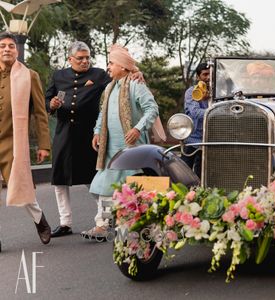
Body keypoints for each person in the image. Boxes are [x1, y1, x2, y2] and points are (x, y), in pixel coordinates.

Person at [45, 41, 148, 238]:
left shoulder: (99, 74)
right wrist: (52, 104)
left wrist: (138, 72)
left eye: (87, 58)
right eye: (80, 58)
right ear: (70, 59)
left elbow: (123, 74)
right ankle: (65, 222)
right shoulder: (59, 76)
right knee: (59, 179)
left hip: (89, 132)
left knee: (95, 178)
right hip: (64, 132)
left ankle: (104, 219)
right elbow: (47, 100)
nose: (85, 62)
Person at [82, 44, 159, 240]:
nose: (108, 67)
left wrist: (137, 129)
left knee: (135, 190)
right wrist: (97, 131)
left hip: (132, 149)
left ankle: (133, 229)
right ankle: (103, 225)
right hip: (110, 149)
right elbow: (103, 113)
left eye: (111, 63)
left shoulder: (136, 84)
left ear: (123, 67)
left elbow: (152, 109)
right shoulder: (110, 87)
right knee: (104, 188)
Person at [0, 32, 51, 245]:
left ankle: (40, 221)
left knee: (21, 187)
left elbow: (40, 113)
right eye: (2, 46)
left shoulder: (29, 75)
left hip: (13, 142)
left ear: (17, 51)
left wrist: (44, 145)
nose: (6, 49)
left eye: (11, 46)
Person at [181, 63, 210, 178]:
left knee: (202, 173)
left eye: (211, 74)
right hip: (193, 139)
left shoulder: (220, 93)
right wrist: (215, 113)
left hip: (211, 140)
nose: (208, 77)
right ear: (198, 77)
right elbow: (195, 112)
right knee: (185, 172)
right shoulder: (191, 92)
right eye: (205, 74)